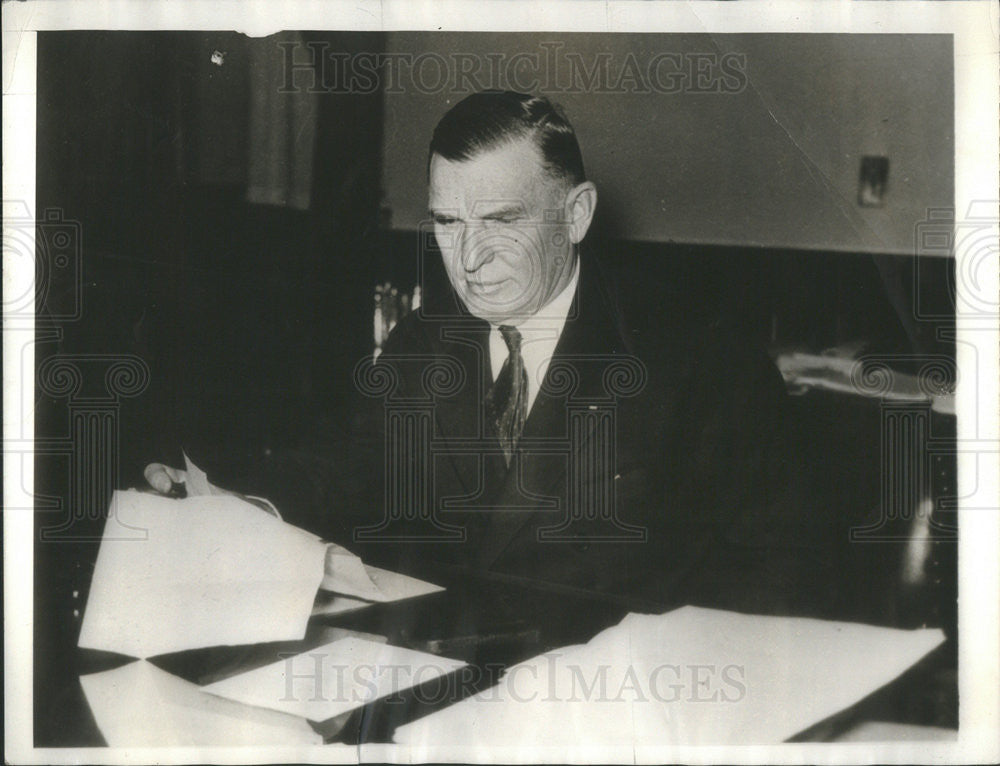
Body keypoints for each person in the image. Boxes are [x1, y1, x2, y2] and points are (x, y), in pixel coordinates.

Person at [147, 90, 814, 614]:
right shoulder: (420, 346)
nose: (468, 260)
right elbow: (343, 470)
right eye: (446, 223)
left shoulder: (699, 362)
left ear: (576, 214)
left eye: (500, 221)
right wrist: (233, 507)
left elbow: (779, 568)